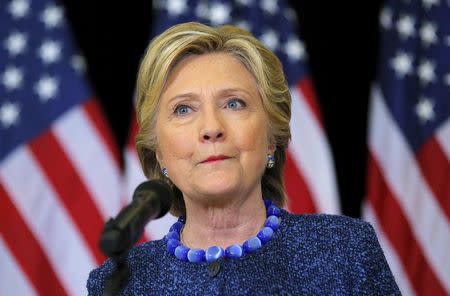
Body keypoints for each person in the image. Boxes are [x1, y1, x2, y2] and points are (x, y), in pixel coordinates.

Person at [87, 22, 400, 295]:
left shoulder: (344, 251)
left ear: (271, 138)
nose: (211, 128)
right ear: (159, 151)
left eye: (234, 104)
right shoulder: (120, 283)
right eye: (184, 109)